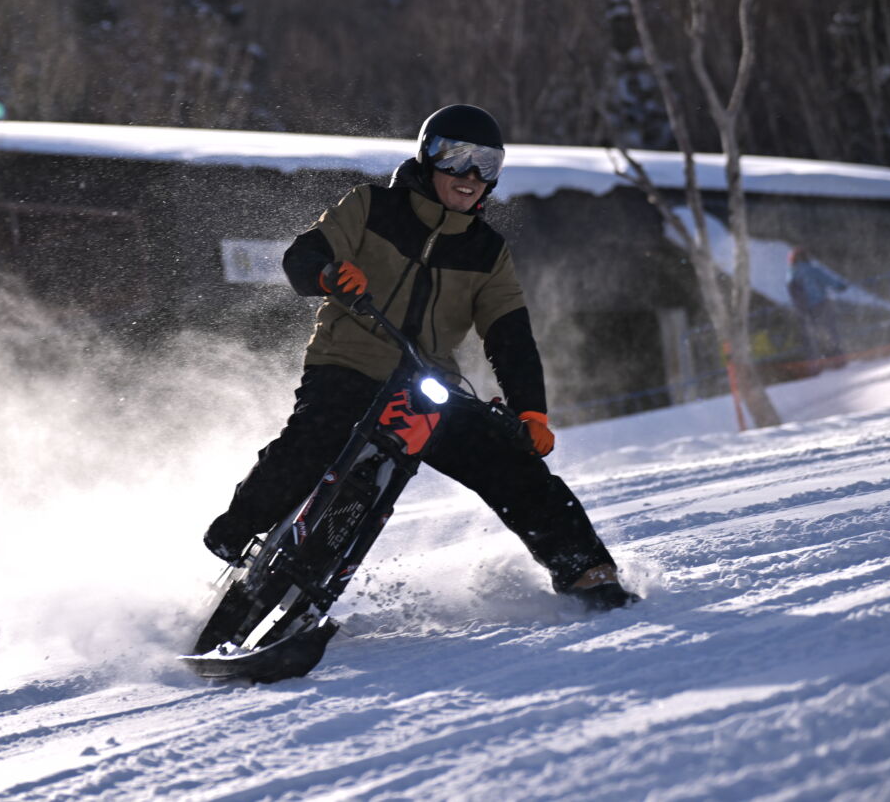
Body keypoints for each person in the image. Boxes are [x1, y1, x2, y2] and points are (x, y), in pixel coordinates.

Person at [203, 104, 637, 612]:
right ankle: (238, 527)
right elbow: (302, 256)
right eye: (457, 158)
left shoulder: (486, 252)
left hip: (427, 383)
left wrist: (531, 411)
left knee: (507, 460)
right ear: (428, 156)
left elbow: (510, 336)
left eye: (488, 165)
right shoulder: (371, 207)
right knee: (318, 435)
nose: (471, 176)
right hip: (349, 363)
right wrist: (328, 275)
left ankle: (586, 569)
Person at [786, 247, 850, 362]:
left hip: (803, 309)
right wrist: (841, 285)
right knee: (830, 330)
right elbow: (828, 280)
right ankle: (836, 356)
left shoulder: (791, 273)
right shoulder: (811, 269)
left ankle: (816, 359)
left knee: (812, 335)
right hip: (820, 304)